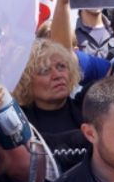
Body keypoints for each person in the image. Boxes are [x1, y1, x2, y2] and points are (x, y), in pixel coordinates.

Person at [13, 38, 87, 172]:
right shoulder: (18, 123)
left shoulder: (87, 109)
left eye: (61, 67)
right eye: (44, 71)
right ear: (25, 81)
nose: (57, 75)